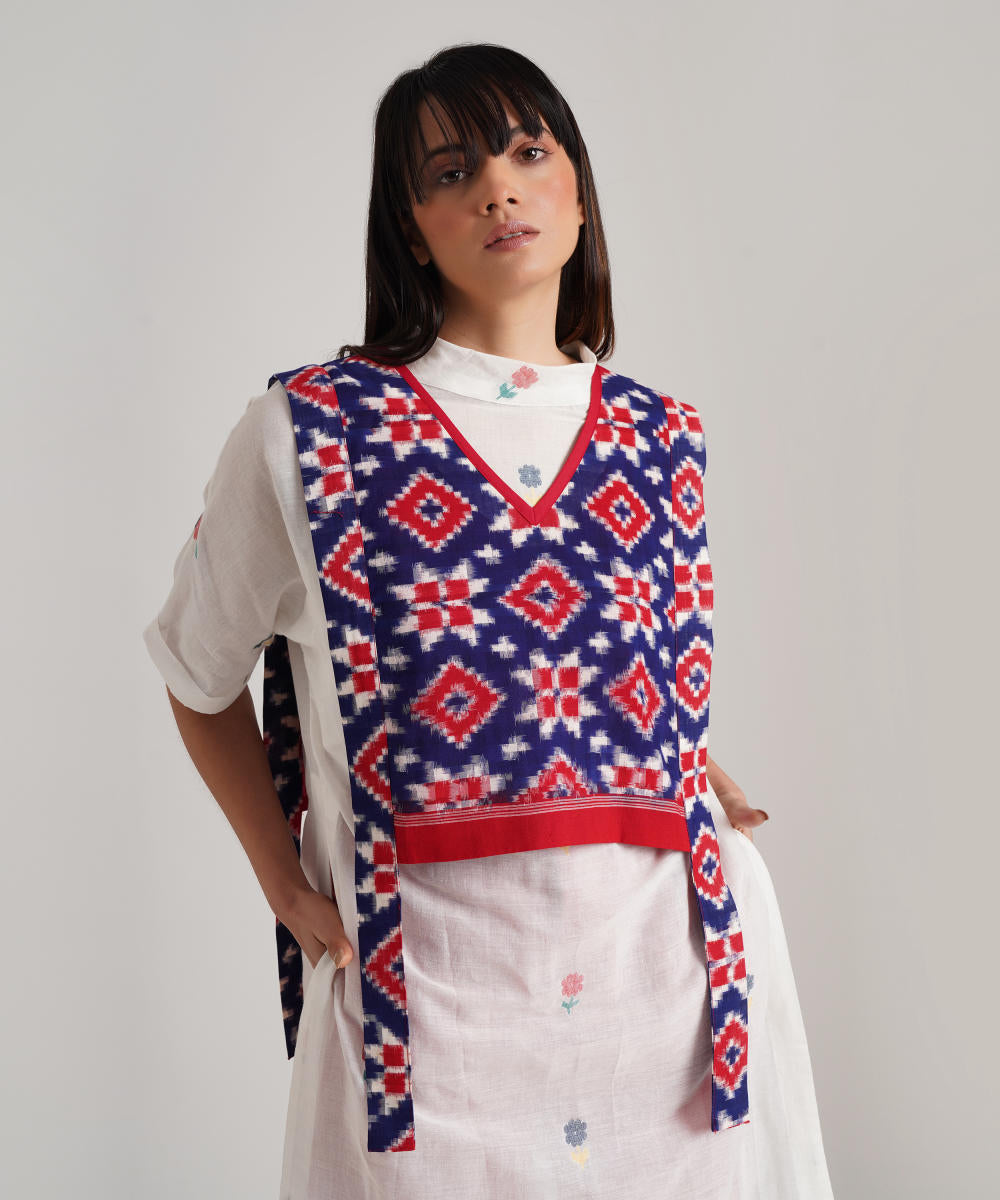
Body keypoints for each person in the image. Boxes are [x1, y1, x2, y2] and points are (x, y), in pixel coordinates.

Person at [143, 41, 835, 1199]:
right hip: (434, 1010)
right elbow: (195, 669)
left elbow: (622, 668)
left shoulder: (664, 437)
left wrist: (666, 749)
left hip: (668, 993)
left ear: (579, 194)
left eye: (526, 153)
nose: (498, 190)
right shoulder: (307, 432)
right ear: (411, 230)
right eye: (452, 171)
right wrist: (281, 881)